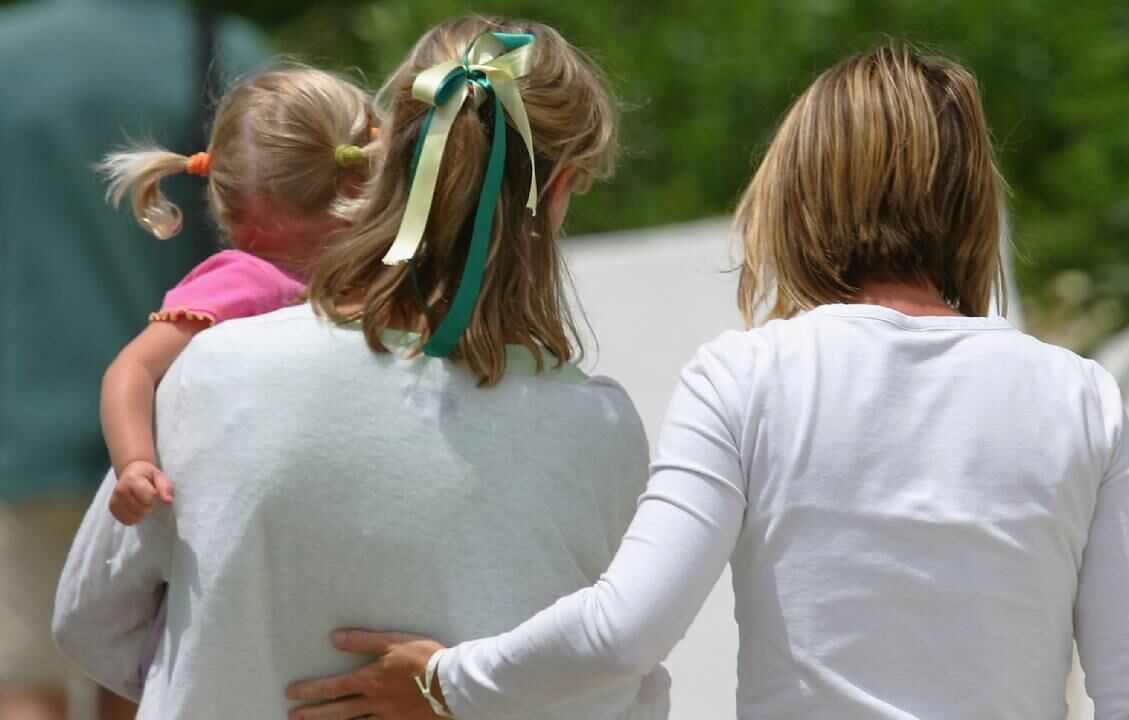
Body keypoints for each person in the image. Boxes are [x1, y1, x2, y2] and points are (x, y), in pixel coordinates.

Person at [290, 44, 1129, 720]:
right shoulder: (1079, 397)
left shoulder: (749, 376)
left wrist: (447, 683)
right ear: (971, 201)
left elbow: (627, 629)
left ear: (803, 188)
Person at [54, 15, 668, 720]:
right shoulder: (598, 427)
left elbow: (89, 619)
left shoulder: (217, 369)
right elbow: (616, 684)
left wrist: (231, 663)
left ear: (388, 147)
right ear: (561, 187)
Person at [0, 1, 265, 718]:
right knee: (148, 680)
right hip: (179, 439)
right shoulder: (218, 46)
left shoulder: (8, 52)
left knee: (23, 681)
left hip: (18, 432)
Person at [98, 66, 380, 525]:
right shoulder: (247, 279)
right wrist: (135, 461)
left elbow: (130, 370)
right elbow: (133, 368)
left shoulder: (375, 273)